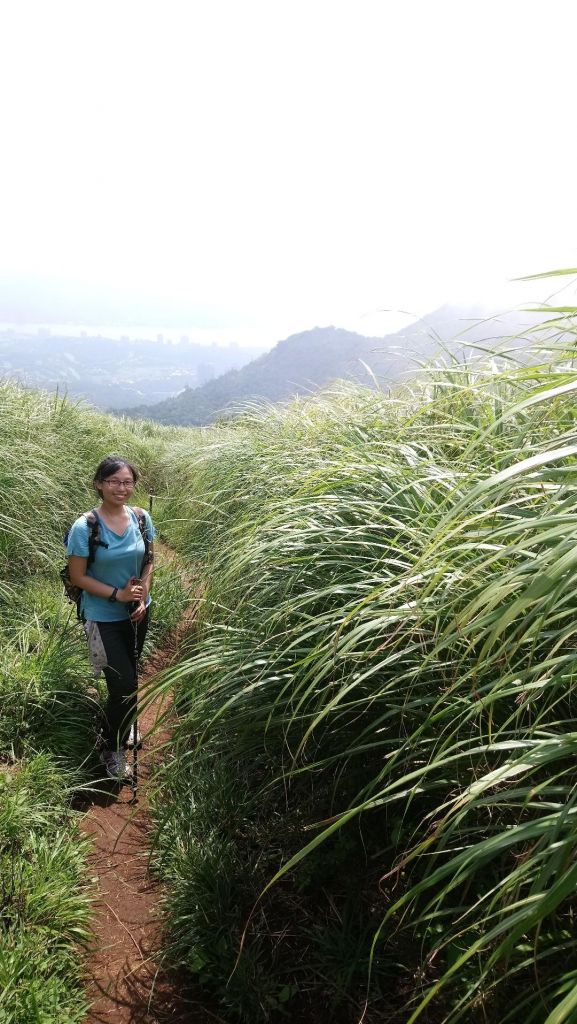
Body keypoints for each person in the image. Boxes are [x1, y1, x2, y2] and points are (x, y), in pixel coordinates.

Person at [67, 455, 156, 780]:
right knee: (123, 685)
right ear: (99, 484)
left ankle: (124, 722)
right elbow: (78, 576)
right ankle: (112, 746)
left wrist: (141, 595)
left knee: (130, 673)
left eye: (127, 482)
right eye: (114, 481)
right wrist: (117, 595)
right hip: (103, 615)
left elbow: (148, 560)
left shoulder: (141, 518)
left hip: (137, 612)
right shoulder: (84, 527)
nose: (122, 487)